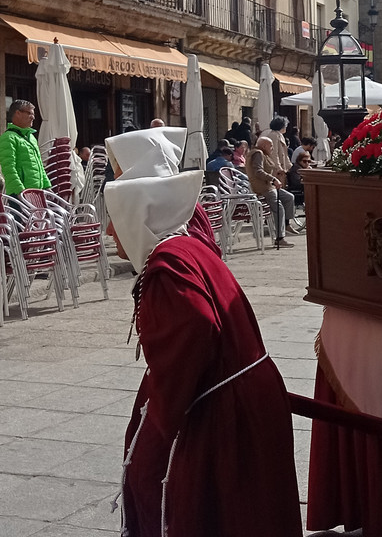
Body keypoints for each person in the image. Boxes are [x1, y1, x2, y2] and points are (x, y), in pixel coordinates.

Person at [103, 126, 302, 537]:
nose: (108, 232)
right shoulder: (183, 246)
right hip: (242, 393)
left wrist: (165, 412)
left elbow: (195, 325)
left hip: (227, 409)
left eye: (113, 219)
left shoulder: (168, 263)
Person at [246, 136, 297, 247]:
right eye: (271, 146)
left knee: (289, 197)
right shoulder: (257, 154)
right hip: (263, 188)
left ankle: (287, 224)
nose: (272, 148)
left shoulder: (264, 155)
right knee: (278, 208)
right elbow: (258, 171)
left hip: (269, 186)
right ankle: (280, 238)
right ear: (264, 146)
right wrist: (273, 179)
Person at [0, 100, 51, 195]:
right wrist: (20, 191)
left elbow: (40, 165)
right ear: (18, 113)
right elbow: (8, 168)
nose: (33, 117)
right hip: (20, 194)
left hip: (36, 192)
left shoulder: (31, 138)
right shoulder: (8, 137)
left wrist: (47, 186)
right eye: (30, 113)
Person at [266, 116, 291, 183]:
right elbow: (274, 153)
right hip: (276, 168)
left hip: (282, 166)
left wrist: (289, 166)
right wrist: (278, 167)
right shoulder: (274, 136)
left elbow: (284, 154)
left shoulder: (279, 135)